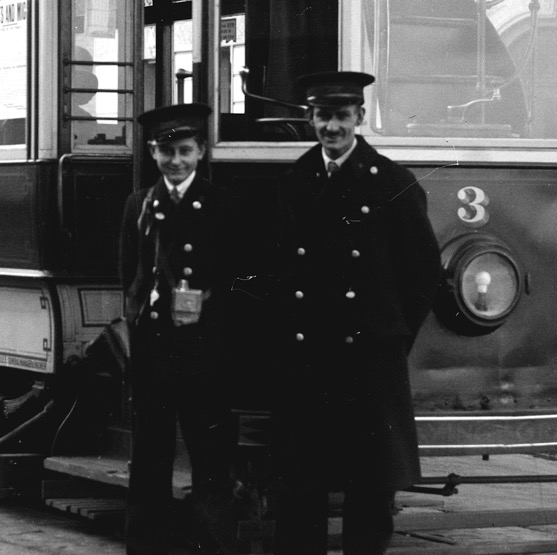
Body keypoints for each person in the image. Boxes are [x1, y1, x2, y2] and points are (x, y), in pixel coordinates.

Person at [271, 72, 441, 555]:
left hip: (367, 360)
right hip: (307, 360)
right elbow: (277, 269)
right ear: (310, 118)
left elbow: (423, 274)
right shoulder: (294, 181)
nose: (332, 127)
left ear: (359, 118)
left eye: (342, 116)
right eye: (323, 116)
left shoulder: (391, 182)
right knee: (302, 488)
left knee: (368, 489)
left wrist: (389, 336)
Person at [119, 103, 238, 555]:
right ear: (153, 153)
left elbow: (240, 276)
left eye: (185, 151)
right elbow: (129, 274)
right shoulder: (140, 205)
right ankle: (145, 546)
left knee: (211, 460)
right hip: (153, 352)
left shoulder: (222, 204)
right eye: (166, 151)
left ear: (201, 151)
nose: (175, 161)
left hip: (204, 354)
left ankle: (214, 544)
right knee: (149, 458)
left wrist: (211, 304)